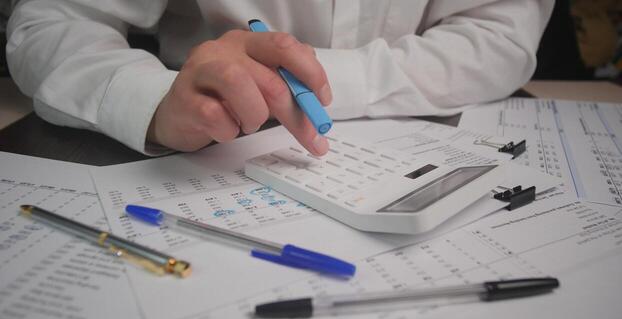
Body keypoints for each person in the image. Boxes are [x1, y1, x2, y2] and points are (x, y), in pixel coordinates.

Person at [6, 1, 554, 157]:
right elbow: (52, 19)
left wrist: (316, 76)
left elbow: (500, 32)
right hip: (200, 145)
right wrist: (149, 103)